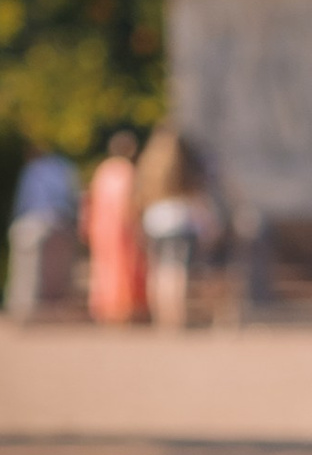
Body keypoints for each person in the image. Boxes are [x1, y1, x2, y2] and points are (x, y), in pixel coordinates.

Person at [135, 127, 219, 334]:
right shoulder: (185, 164)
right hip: (180, 221)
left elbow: (141, 196)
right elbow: (197, 196)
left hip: (155, 221)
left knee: (159, 271)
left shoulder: (150, 163)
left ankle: (162, 316)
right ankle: (178, 317)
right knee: (177, 272)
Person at [4, 146, 81, 316]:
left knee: (26, 268)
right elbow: (73, 199)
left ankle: (24, 308)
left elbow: (23, 200)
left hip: (32, 222)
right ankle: (49, 309)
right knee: (56, 272)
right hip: (61, 223)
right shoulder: (65, 168)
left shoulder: (33, 170)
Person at [83, 129, 146, 325]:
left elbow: (91, 202)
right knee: (124, 270)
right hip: (122, 230)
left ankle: (106, 309)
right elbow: (129, 205)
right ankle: (122, 310)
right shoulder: (127, 171)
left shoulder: (102, 170)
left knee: (103, 269)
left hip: (101, 229)